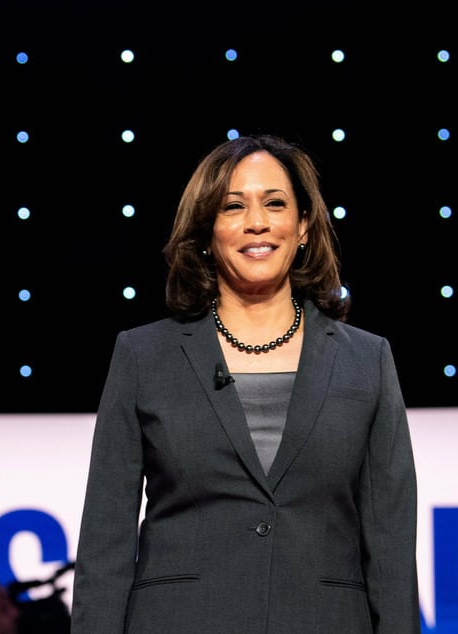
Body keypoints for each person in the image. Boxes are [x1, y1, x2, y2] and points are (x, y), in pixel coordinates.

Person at [70, 134, 420, 633]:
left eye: (275, 203)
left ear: (302, 226)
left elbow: (390, 547)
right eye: (233, 206)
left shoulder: (367, 359)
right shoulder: (142, 356)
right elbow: (105, 543)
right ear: (208, 233)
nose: (257, 221)